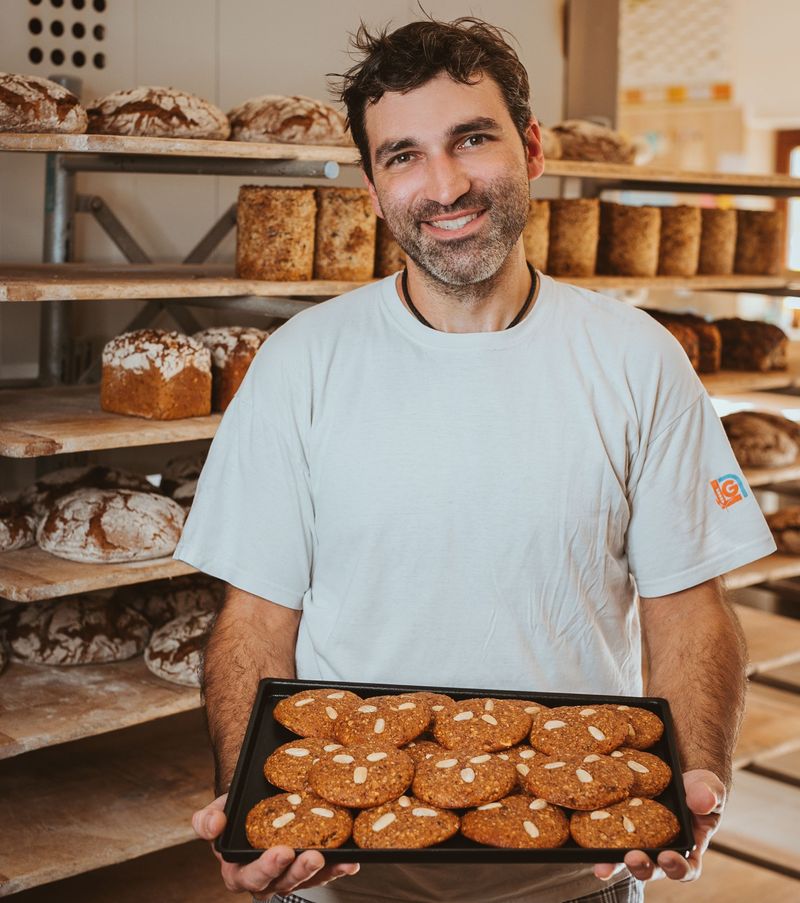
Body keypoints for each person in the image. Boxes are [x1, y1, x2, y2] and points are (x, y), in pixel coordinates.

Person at [176, 15, 776, 903]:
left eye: (472, 139)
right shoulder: (302, 363)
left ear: (531, 148)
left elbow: (688, 607)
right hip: (338, 879)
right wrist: (247, 793)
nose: (444, 184)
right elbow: (255, 619)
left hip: (579, 876)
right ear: (375, 190)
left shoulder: (638, 358)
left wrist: (690, 770)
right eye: (403, 156)